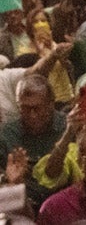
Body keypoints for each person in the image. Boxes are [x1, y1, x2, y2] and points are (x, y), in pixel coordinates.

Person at [2, 75, 64, 211]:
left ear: (51, 104)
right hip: (23, 207)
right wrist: (12, 181)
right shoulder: (7, 135)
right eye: (24, 108)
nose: (32, 115)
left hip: (64, 205)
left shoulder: (67, 127)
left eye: (37, 108)